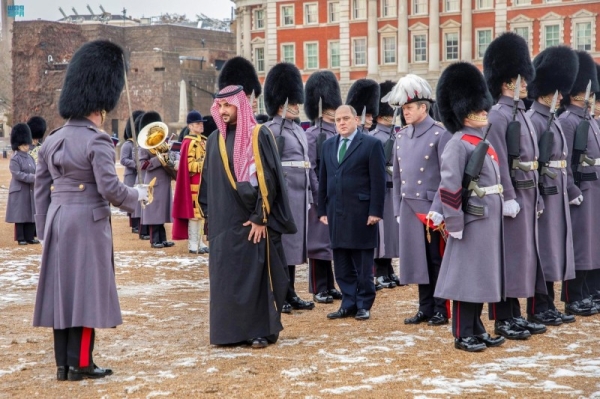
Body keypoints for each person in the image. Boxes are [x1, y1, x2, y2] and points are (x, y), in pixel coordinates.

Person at [32, 40, 148, 381]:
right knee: (84, 292)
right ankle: (81, 363)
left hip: (57, 219)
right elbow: (110, 189)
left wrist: (43, 227)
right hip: (88, 220)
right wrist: (136, 195)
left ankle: (62, 365)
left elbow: (41, 189)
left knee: (61, 292)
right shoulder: (97, 139)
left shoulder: (52, 139)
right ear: (99, 104)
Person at [199, 85, 296, 348]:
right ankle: (227, 333)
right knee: (225, 280)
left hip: (250, 223)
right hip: (222, 226)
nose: (223, 111)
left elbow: (269, 179)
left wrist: (260, 217)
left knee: (253, 279)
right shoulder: (213, 140)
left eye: (227, 106)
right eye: (219, 107)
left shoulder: (257, 135)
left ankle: (257, 330)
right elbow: (207, 183)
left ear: (239, 105)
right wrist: (210, 217)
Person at [434, 61, 506, 352]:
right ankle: (463, 332)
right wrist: (454, 223)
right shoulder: (457, 142)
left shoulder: (483, 141)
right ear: (463, 112)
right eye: (476, 108)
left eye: (483, 107)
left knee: (481, 276)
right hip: (471, 219)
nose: (483, 112)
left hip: (487, 218)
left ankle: (476, 327)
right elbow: (449, 186)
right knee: (467, 277)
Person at [483, 32, 547, 339]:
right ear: (510, 81)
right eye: (522, 79)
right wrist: (508, 196)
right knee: (507, 257)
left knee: (523, 257)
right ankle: (502, 317)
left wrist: (537, 198)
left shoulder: (520, 112)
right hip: (511, 197)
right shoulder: (497, 116)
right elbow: (496, 163)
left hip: (528, 192)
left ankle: (516, 313)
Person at [388, 74, 451, 326]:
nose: (406, 112)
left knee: (435, 260)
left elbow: (448, 176)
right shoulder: (401, 136)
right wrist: (397, 208)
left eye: (410, 108)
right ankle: (424, 307)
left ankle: (440, 308)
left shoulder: (440, 134)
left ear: (423, 108)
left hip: (430, 208)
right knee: (418, 261)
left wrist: (439, 208)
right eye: (404, 108)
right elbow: (397, 176)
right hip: (409, 206)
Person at [525, 46, 579, 325]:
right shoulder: (535, 119)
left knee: (553, 248)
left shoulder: (550, 117)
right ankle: (538, 307)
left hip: (556, 190)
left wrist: (569, 189)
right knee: (541, 250)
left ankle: (548, 303)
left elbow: (563, 160)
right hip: (544, 191)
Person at [318, 104, 386, 321]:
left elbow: (379, 181)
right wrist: (322, 209)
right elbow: (324, 180)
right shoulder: (328, 145)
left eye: (346, 118)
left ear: (357, 119)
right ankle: (348, 303)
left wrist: (375, 211)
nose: (342, 123)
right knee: (341, 264)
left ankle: (364, 303)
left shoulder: (372, 144)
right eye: (338, 120)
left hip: (362, 214)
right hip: (336, 213)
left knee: (364, 266)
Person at [264, 62, 315, 314]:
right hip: (284, 196)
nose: (297, 106)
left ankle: (291, 291)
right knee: (283, 246)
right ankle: (280, 294)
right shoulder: (271, 129)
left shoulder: (298, 129)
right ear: (280, 103)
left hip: (300, 193)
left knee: (295, 247)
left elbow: (307, 164)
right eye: (292, 102)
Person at [558, 51, 600, 315]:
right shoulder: (568, 120)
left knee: (594, 241)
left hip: (595, 187)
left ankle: (591, 290)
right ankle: (575, 295)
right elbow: (567, 159)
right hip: (582, 189)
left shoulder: (589, 120)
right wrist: (573, 189)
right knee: (581, 244)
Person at [304, 70, 343, 304]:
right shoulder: (311, 135)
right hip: (320, 195)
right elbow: (310, 168)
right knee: (319, 243)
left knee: (332, 243)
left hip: (337, 195)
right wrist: (320, 195)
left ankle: (329, 284)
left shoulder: (339, 132)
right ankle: (319, 286)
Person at [369, 80, 400, 290]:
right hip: (382, 189)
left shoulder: (394, 134)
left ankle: (388, 270)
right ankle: (379, 271)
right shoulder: (374, 137)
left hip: (393, 187)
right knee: (381, 234)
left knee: (390, 233)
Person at [172, 110, 209, 254]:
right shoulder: (189, 143)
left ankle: (200, 241)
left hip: (203, 182)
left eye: (201, 123)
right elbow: (188, 165)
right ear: (190, 126)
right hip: (194, 182)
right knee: (194, 215)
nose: (201, 125)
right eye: (197, 123)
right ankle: (193, 243)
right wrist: (204, 165)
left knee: (201, 214)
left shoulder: (202, 140)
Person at [138, 111, 175, 249]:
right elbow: (143, 165)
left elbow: (168, 158)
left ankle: (163, 238)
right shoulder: (144, 147)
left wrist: (168, 154)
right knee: (154, 213)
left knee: (162, 212)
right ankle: (154, 240)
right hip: (153, 183)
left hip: (164, 182)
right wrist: (159, 158)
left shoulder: (161, 145)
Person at [6, 123, 38, 245]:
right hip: (20, 189)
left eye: (27, 143)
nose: (27, 146)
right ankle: (21, 237)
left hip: (30, 189)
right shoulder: (15, 158)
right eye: (24, 144)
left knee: (30, 213)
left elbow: (35, 170)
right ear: (18, 145)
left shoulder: (30, 158)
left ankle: (30, 236)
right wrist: (33, 178)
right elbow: (17, 174)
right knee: (20, 215)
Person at [120, 109, 144, 234]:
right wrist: (136, 165)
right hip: (131, 175)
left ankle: (139, 223)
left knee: (140, 199)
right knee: (132, 200)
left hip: (139, 175)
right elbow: (123, 160)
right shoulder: (127, 145)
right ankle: (134, 224)